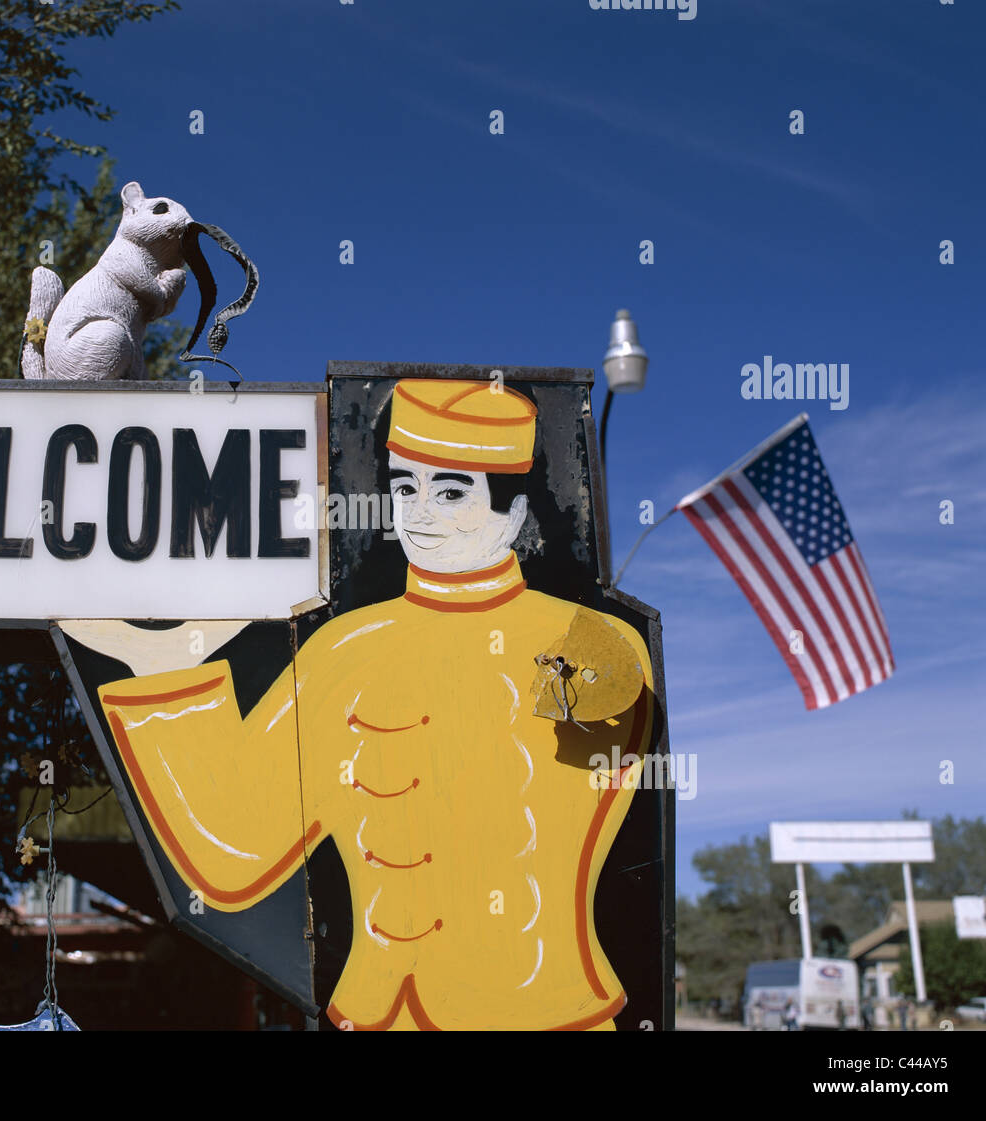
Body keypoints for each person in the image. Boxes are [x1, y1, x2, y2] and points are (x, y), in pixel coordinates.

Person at [95, 379, 654, 1031]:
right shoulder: (342, 648)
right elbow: (233, 853)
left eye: (450, 492)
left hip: (547, 1015)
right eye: (405, 487)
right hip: (376, 1016)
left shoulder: (583, 637)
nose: (420, 513)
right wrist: (158, 665)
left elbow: (605, 702)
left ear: (513, 512)